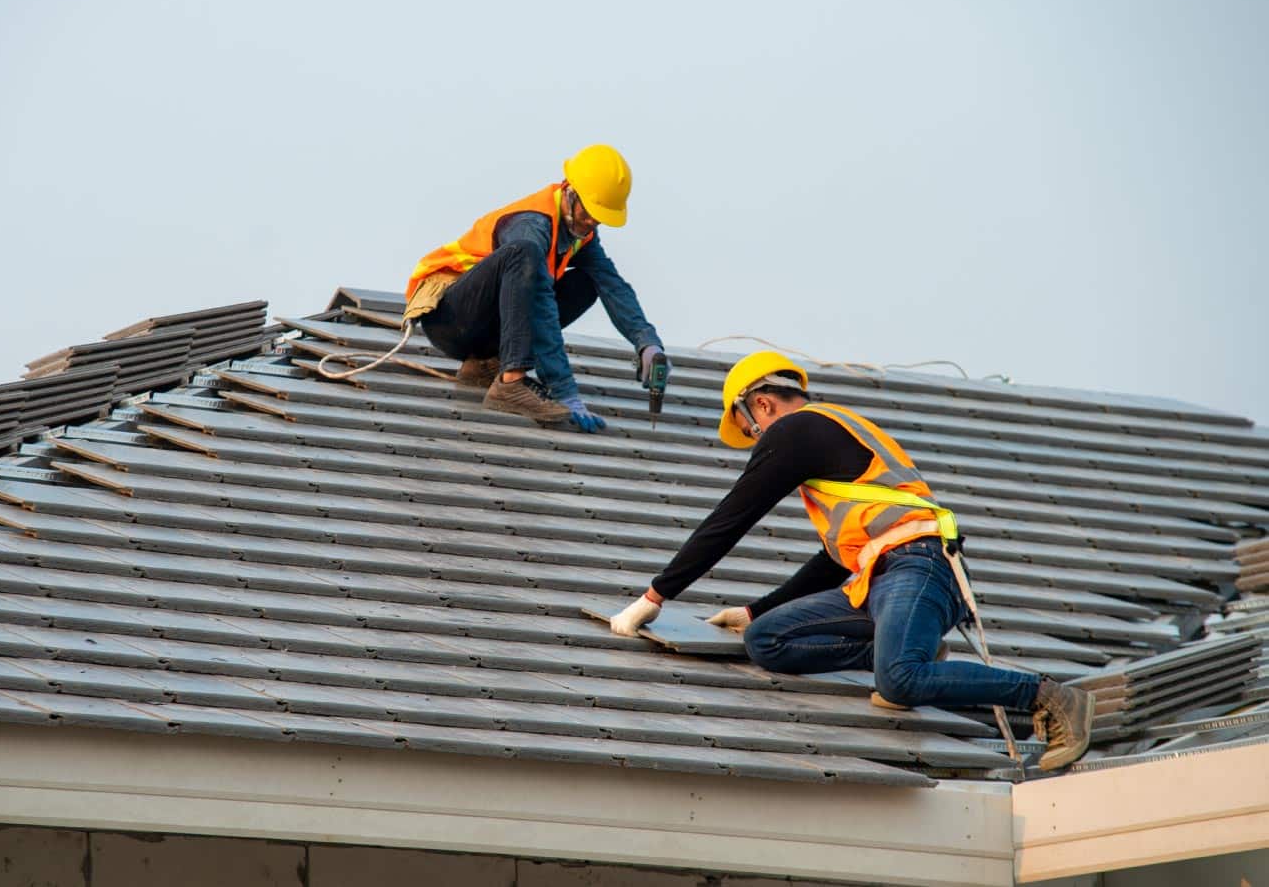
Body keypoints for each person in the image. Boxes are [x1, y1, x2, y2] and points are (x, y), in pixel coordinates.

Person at [607, 351, 1095, 772]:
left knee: (898, 681)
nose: (757, 444)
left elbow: (731, 519)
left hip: (920, 565)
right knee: (766, 639)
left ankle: (1049, 697)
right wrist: (756, 611)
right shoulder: (827, 433)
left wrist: (655, 596)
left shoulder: (796, 430)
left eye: (750, 432)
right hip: (882, 575)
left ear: (761, 405)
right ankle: (903, 648)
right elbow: (833, 561)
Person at [404, 144, 668, 432]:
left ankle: (486, 365)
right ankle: (511, 383)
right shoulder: (531, 224)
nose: (592, 222)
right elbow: (540, 304)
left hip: (482, 328)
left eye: (599, 217)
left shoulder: (580, 233)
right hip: (449, 317)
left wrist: (647, 342)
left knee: (588, 281)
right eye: (589, 212)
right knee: (524, 255)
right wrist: (563, 389)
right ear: (570, 191)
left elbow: (612, 285)